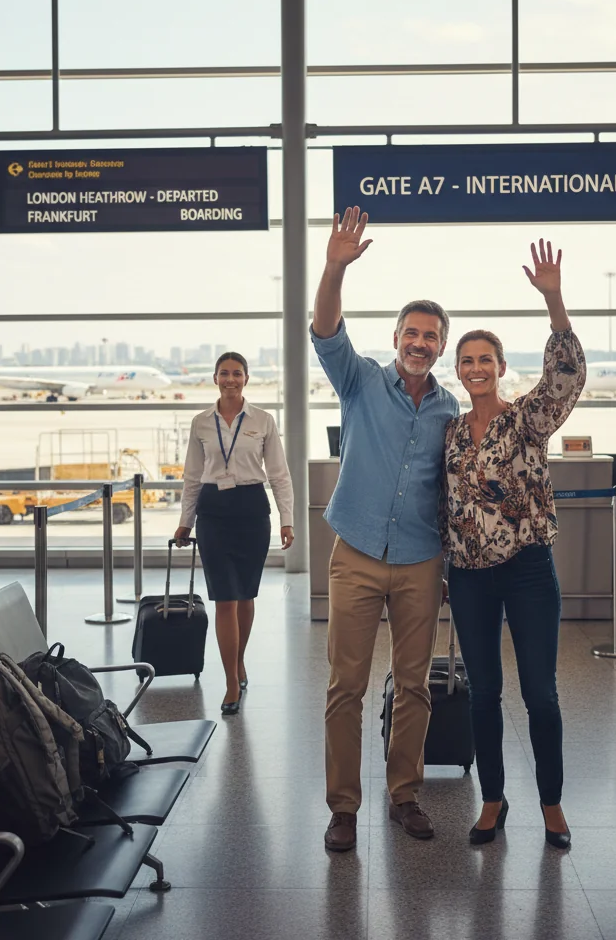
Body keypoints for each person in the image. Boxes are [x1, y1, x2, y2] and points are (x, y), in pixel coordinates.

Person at [311, 206, 460, 853]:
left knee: (414, 685)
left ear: (440, 346)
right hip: (357, 552)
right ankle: (343, 806)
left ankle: (404, 794)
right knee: (346, 685)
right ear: (397, 336)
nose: (420, 344)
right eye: (412, 333)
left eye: (431, 337)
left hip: (421, 560)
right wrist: (334, 267)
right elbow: (324, 329)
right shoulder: (362, 382)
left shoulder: (450, 408)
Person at [444, 238, 585, 848]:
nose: (477, 367)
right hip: (470, 576)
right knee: (483, 693)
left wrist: (554, 300)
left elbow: (565, 379)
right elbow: (441, 502)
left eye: (486, 359)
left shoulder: (527, 418)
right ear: (459, 370)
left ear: (501, 367)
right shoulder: (449, 432)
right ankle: (493, 800)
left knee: (540, 694)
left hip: (528, 570)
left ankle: (551, 803)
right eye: (467, 360)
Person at [174, 351, 294, 716]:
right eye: (224, 373)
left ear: (246, 378)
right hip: (213, 512)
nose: (230, 379)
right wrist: (185, 520)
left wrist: (287, 519)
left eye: (237, 373)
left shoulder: (262, 420)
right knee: (224, 598)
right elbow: (192, 476)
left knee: (245, 596)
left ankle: (238, 661)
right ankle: (230, 682)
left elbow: (279, 474)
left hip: (251, 511)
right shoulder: (201, 422)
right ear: (215, 378)